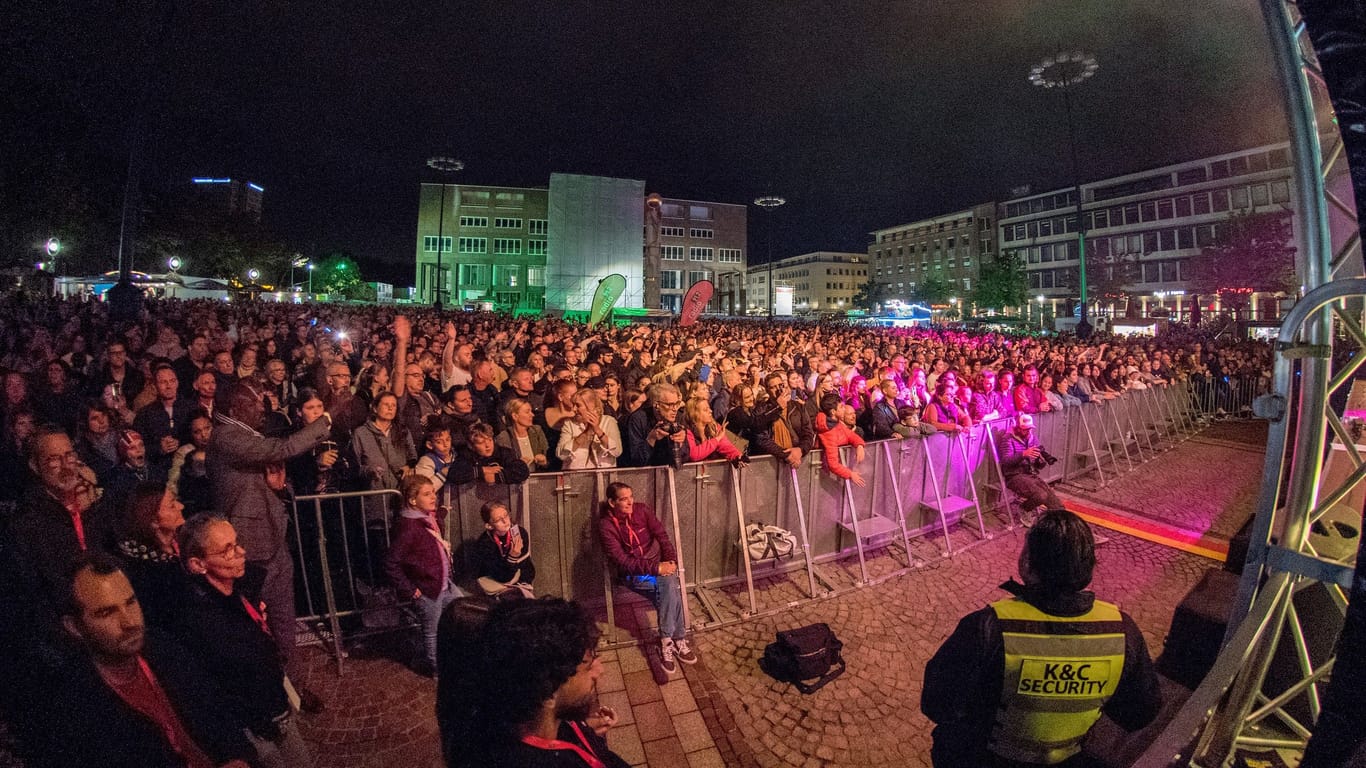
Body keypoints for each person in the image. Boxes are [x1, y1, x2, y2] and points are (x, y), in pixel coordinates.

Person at [922, 510, 1161, 767]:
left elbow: (937, 705)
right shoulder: (1122, 631)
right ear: (1089, 566)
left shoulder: (988, 626)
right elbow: (1140, 713)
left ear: (1027, 563)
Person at [22, 554, 255, 767]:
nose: (128, 622)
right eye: (106, 613)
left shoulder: (165, 651)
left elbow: (219, 715)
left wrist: (237, 757)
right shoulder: (71, 710)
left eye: (130, 602)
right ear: (75, 627)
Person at [207, 381, 332, 662]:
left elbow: (263, 478)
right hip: (249, 548)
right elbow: (280, 449)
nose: (261, 407)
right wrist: (326, 419)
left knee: (284, 620)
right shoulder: (226, 436)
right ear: (235, 408)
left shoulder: (245, 432)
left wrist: (279, 487)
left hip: (273, 540)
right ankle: (272, 688)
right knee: (257, 626)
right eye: (253, 403)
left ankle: (295, 686)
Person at [176, 516, 311, 767]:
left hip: (274, 706)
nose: (241, 552)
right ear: (198, 564)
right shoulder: (201, 621)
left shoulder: (238, 592)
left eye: (237, 543)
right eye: (228, 550)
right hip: (252, 725)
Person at [472, 597, 629, 768]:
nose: (600, 671)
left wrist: (585, 732)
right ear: (547, 693)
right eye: (588, 665)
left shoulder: (536, 721)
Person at [598, 481, 697, 675]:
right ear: (612, 502)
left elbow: (662, 536)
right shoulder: (606, 526)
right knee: (669, 588)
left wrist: (671, 561)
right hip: (635, 575)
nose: (629, 503)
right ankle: (677, 639)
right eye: (623, 499)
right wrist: (656, 568)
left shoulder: (642, 511)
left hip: (659, 569)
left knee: (668, 586)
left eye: (631, 497)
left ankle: (668, 641)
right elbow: (622, 561)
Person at [384, 474, 461, 675]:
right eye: (427, 494)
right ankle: (437, 671)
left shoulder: (425, 519)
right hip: (428, 590)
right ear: (412, 500)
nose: (433, 497)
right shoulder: (409, 527)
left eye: (433, 492)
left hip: (442, 583)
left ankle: (451, 658)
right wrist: (410, 589)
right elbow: (391, 563)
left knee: (459, 615)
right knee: (432, 632)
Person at [114, 482, 189, 629]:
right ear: (153, 520)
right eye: (172, 505)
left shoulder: (182, 545)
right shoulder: (144, 573)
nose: (181, 506)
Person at [998, 413, 1064, 516]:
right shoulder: (1008, 439)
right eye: (1025, 429)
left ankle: (1058, 518)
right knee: (1041, 495)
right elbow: (1006, 461)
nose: (1028, 431)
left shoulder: (1032, 438)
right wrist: (1023, 454)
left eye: (1030, 429)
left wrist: (1040, 460)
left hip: (1030, 474)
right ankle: (1024, 509)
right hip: (1014, 476)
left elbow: (1038, 466)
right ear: (1018, 428)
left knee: (1055, 502)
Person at [471, 500, 535, 598]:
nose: (505, 521)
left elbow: (527, 567)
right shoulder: (485, 543)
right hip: (495, 583)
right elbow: (502, 577)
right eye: (498, 520)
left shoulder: (520, 533)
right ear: (489, 526)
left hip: (518, 582)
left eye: (506, 516)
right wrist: (512, 557)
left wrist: (523, 586)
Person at [558, 388, 622, 470]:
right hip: (576, 476)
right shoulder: (569, 424)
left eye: (578, 405)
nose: (573, 409)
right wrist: (586, 433)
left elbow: (617, 452)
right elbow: (561, 454)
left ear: (590, 406)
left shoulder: (609, 421)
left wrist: (597, 430)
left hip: (604, 475)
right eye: (573, 405)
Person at [463, 421, 531, 486]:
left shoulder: (503, 453)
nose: (488, 446)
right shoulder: (467, 455)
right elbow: (455, 473)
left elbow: (522, 470)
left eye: (490, 440)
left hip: (504, 496)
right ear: (471, 445)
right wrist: (482, 470)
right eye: (481, 442)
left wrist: (496, 477)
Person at [497, 397, 551, 472]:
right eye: (527, 412)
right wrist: (518, 465)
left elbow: (548, 459)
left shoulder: (537, 431)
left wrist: (544, 461)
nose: (532, 415)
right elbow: (504, 466)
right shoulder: (504, 437)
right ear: (515, 416)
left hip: (538, 478)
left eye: (531, 411)